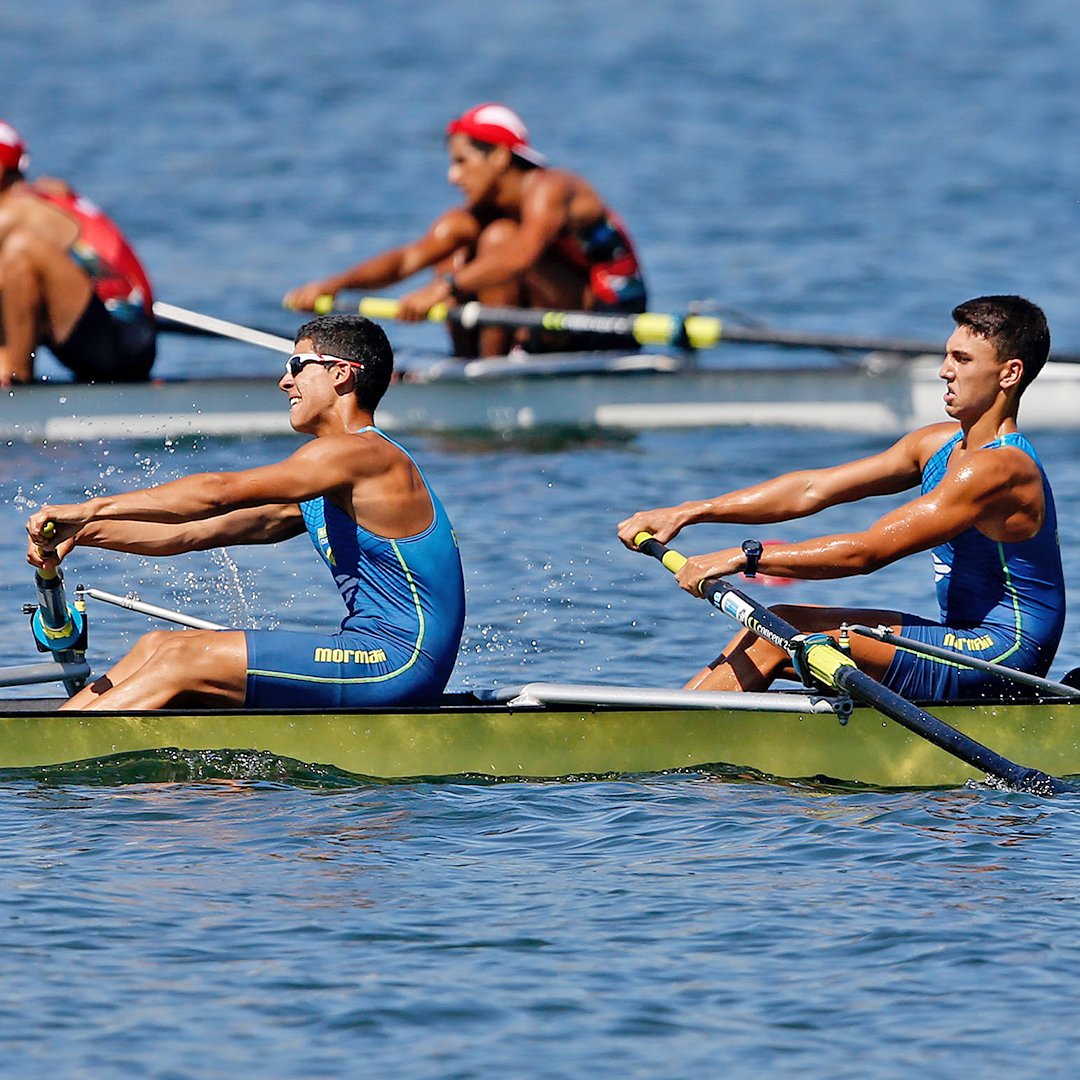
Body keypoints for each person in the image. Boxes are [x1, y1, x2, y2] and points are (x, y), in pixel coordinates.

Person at [617, 295, 1066, 700]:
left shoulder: (1000, 469)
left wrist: (744, 558)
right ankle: (675, 724)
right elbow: (813, 488)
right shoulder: (936, 443)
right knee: (775, 623)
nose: (944, 370)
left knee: (784, 635)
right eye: (947, 355)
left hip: (1004, 658)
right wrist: (690, 512)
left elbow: (867, 553)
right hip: (959, 639)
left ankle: (661, 746)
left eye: (962, 359)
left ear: (1009, 373)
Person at [25, 314, 466, 712]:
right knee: (157, 645)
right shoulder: (326, 484)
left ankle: (50, 753)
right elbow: (194, 531)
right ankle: (56, 734)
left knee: (183, 659)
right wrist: (83, 533)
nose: (284, 382)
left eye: (297, 366)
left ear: (341, 374)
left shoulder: (363, 455)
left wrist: (89, 507)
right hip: (370, 654)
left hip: (397, 661)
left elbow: (219, 492)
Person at [284, 102, 647, 358]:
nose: (452, 176)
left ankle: (490, 370)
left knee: (498, 241)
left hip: (605, 320)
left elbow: (523, 255)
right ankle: (470, 363)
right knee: (453, 246)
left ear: (499, 157)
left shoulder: (549, 188)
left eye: (462, 162)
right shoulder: (479, 213)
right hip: (545, 317)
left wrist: (442, 290)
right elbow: (409, 258)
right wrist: (335, 284)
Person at [0, 120, 156, 386]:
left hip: (121, 341)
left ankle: (14, 373)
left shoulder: (20, 210)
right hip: (111, 334)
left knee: (20, 251)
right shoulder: (44, 194)